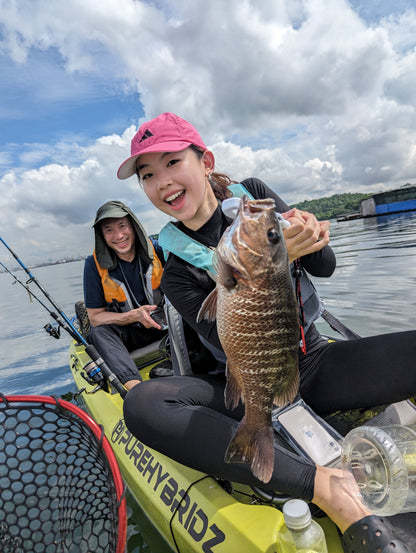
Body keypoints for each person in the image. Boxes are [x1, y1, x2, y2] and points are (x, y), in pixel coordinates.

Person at [118, 113, 415, 551]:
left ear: (205, 161)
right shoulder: (176, 266)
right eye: (147, 175)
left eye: (172, 162)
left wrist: (311, 238)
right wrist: (266, 269)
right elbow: (226, 338)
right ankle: (321, 485)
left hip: (312, 362)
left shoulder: (253, 196)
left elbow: (325, 266)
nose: (162, 182)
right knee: (142, 404)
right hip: (244, 379)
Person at [83, 200, 170, 390]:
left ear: (133, 225)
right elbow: (95, 317)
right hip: (129, 334)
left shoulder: (158, 249)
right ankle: (136, 390)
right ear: (102, 236)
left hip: (165, 324)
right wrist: (133, 316)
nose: (119, 235)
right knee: (98, 333)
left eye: (122, 226)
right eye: (109, 230)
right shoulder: (92, 265)